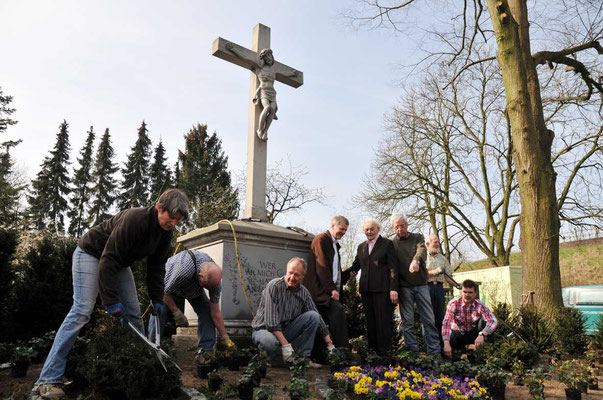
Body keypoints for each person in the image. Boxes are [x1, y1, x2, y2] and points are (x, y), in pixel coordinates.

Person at [33, 189, 189, 399]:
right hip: (91, 253)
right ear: (159, 207)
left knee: (134, 314)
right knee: (82, 310)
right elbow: (109, 258)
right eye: (171, 218)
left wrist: (156, 299)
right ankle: (48, 379)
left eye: (177, 221)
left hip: (118, 262)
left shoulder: (165, 233)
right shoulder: (135, 219)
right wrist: (111, 300)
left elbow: (156, 267)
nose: (173, 223)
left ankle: (138, 368)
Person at [147, 250, 235, 361]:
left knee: (206, 310)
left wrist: (225, 337)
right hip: (167, 288)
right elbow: (163, 292)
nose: (208, 290)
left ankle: (205, 353)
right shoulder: (183, 270)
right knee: (159, 310)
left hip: (191, 289)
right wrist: (177, 312)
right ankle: (152, 351)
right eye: (206, 286)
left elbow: (215, 312)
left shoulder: (214, 282)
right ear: (200, 276)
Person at [251, 257, 334, 364]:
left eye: (297, 275)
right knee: (270, 342)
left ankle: (304, 359)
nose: (292, 277)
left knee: (313, 316)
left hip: (285, 329)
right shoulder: (274, 286)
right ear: (286, 271)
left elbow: (317, 318)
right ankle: (267, 357)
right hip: (263, 330)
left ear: (303, 276)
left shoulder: (304, 293)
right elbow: (271, 323)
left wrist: (329, 343)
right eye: (290, 273)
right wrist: (286, 346)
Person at [391, 214, 441, 355]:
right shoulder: (392, 244)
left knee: (429, 319)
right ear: (393, 228)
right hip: (404, 287)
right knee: (408, 322)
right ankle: (412, 353)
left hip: (421, 285)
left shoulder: (417, 237)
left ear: (407, 225)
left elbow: (422, 250)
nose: (400, 229)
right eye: (397, 226)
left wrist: (416, 260)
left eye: (402, 225)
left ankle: (434, 353)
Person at [225, 42, 297, 140]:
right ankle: (259, 130)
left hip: (272, 92)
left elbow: (285, 73)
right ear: (263, 59)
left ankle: (265, 131)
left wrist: (292, 74)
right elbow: (245, 57)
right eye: (266, 57)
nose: (269, 58)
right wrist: (233, 50)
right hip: (263, 90)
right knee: (267, 108)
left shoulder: (274, 70)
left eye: (270, 56)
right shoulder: (259, 68)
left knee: (272, 109)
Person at [348, 218, 398, 356]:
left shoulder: (387, 244)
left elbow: (393, 267)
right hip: (366, 289)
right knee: (370, 322)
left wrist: (394, 288)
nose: (369, 231)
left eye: (372, 229)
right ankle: (372, 353)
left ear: (378, 229)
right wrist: (342, 276)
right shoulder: (361, 246)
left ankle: (385, 354)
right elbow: (355, 266)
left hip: (383, 289)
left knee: (383, 322)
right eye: (366, 229)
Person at [304, 216, 350, 354]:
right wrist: (331, 290)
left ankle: (321, 355)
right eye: (341, 229)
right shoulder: (321, 240)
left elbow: (335, 270)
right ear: (332, 225)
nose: (343, 232)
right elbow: (322, 266)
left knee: (321, 323)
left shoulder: (334, 244)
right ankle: (342, 352)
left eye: (345, 230)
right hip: (319, 291)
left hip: (326, 291)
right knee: (338, 312)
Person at [442, 279, 498, 359]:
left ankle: (488, 355)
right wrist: (446, 343)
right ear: (461, 291)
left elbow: (493, 320)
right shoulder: (453, 304)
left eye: (470, 292)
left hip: (474, 335)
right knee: (449, 336)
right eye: (465, 292)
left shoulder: (480, 305)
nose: (467, 295)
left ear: (475, 293)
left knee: (485, 323)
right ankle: (456, 357)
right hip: (458, 334)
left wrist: (482, 334)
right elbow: (446, 323)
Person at [425, 234, 460, 342]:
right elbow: (419, 275)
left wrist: (457, 285)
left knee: (440, 317)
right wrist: (434, 272)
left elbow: (447, 276)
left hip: (439, 289)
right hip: (427, 288)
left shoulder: (443, 258)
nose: (437, 244)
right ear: (427, 244)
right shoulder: (422, 257)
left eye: (438, 242)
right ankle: (429, 347)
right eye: (435, 242)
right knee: (428, 318)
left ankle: (441, 345)